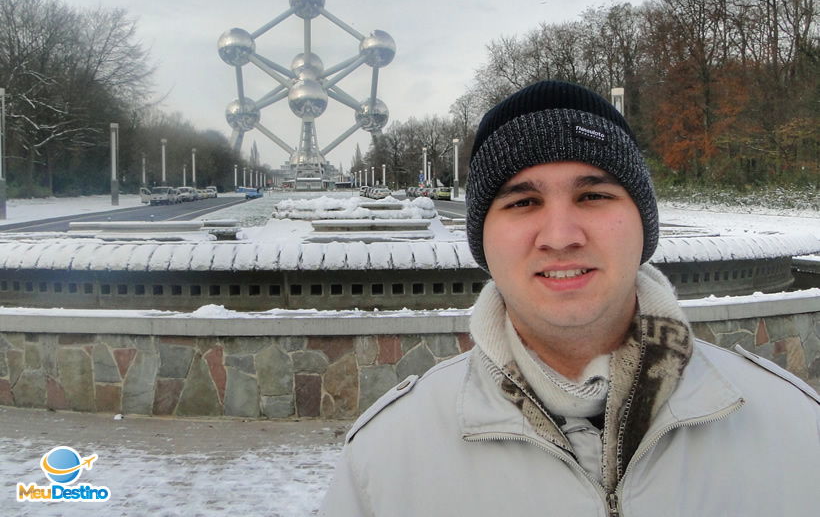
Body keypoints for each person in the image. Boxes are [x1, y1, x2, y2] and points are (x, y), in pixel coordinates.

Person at [320, 80, 819, 516]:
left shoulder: (796, 430)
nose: (560, 235)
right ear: (483, 241)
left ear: (642, 225)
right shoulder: (385, 460)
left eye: (594, 196)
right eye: (523, 202)